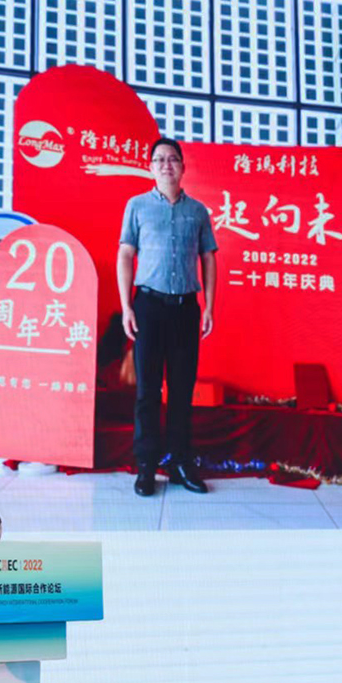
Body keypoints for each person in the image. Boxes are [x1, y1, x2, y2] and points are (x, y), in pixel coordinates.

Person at [117, 136, 218, 496]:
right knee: (147, 391)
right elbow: (125, 254)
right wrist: (126, 306)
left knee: (181, 390)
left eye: (172, 159)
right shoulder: (137, 206)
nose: (166, 165)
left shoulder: (198, 212)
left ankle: (179, 464)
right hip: (148, 307)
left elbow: (208, 258)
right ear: (151, 167)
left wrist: (209, 305)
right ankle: (146, 467)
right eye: (159, 159)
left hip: (185, 309)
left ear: (182, 167)